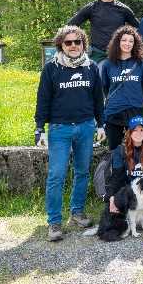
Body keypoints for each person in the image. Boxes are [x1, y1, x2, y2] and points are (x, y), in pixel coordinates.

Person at [34, 25, 105, 241]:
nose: (73, 46)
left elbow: (97, 100)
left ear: (83, 44)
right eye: (68, 42)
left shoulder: (91, 67)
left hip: (86, 127)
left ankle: (77, 211)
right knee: (57, 175)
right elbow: (43, 100)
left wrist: (101, 125)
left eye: (78, 42)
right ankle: (54, 222)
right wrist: (39, 129)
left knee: (82, 172)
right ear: (61, 45)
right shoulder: (51, 68)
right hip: (59, 129)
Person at [68, 0, 138, 67]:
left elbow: (138, 28)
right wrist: (79, 44)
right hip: (97, 55)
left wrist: (131, 46)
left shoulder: (123, 9)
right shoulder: (91, 8)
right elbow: (70, 25)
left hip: (118, 55)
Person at [101, 26, 143, 151]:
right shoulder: (108, 64)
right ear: (118, 42)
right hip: (114, 112)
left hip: (135, 111)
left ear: (135, 44)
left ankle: (138, 171)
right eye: (124, 40)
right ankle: (117, 171)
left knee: (138, 149)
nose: (127, 44)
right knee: (115, 150)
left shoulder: (141, 64)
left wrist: (135, 98)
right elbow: (106, 87)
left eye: (131, 41)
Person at [105, 116, 143, 215]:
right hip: (129, 190)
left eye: (142, 130)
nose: (139, 133)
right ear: (129, 132)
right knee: (117, 215)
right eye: (135, 130)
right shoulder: (120, 150)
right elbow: (116, 177)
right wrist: (112, 198)